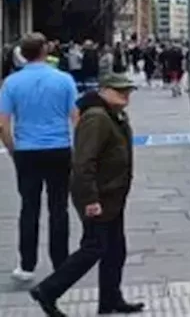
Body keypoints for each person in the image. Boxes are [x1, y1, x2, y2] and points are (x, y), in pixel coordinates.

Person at [29, 73, 143, 316]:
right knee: (94, 247)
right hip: (99, 196)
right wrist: (91, 199)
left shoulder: (114, 115)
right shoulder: (97, 118)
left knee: (115, 249)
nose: (125, 95)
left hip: (112, 196)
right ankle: (48, 290)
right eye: (119, 90)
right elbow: (83, 163)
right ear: (103, 91)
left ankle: (110, 299)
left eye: (127, 91)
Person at [0, 33, 79, 285]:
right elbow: (76, 118)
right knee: (59, 208)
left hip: (27, 151)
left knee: (29, 207)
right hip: (59, 148)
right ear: (45, 50)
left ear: (22, 53)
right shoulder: (64, 79)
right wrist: (77, 149)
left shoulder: (11, 83)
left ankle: (26, 265)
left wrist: (13, 149)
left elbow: (3, 125)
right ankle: (61, 262)